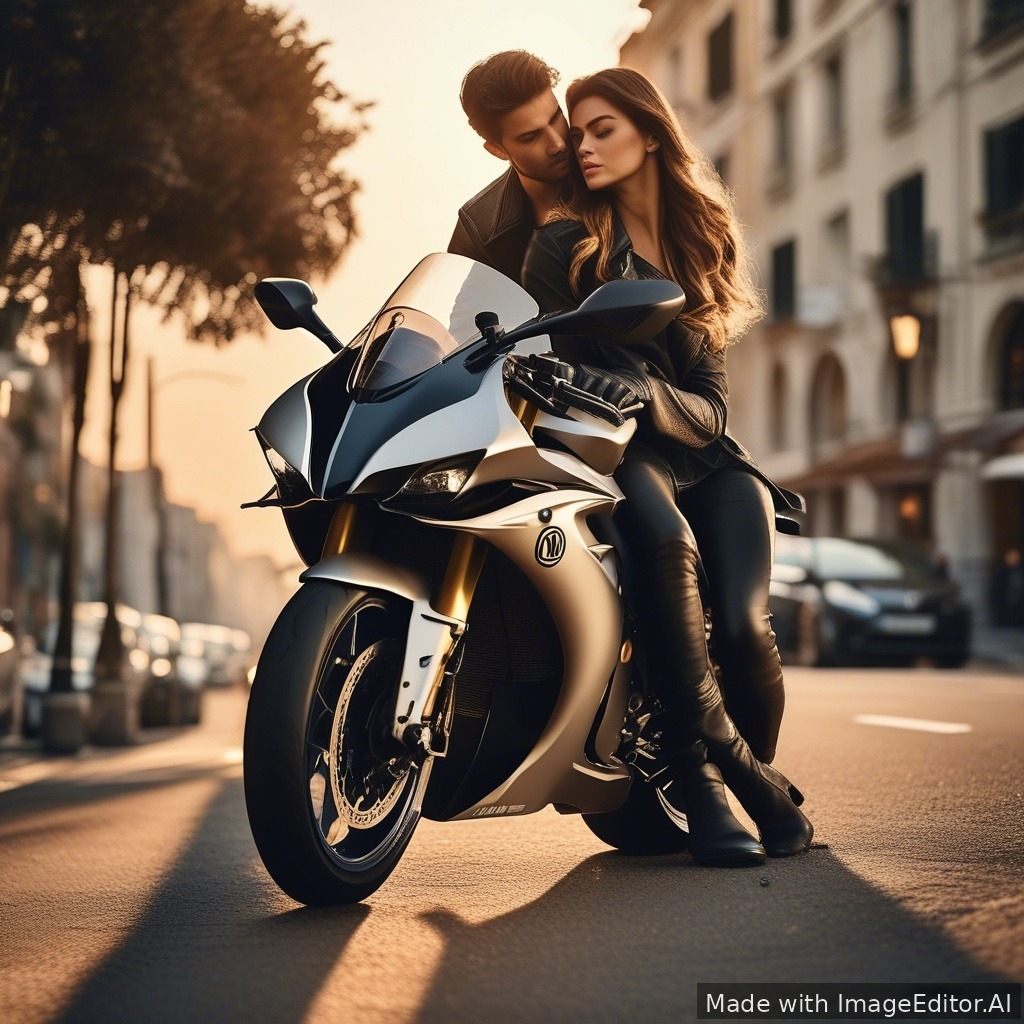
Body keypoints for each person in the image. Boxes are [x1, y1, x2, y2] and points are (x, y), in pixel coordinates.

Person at [520, 67, 813, 866]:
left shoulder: (699, 242)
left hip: (712, 460)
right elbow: (540, 358)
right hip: (617, 454)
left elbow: (712, 408)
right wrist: (631, 403)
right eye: (575, 133)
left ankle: (755, 774)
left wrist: (649, 390)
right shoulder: (564, 244)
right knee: (664, 542)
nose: (581, 146)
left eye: (600, 128)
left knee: (750, 633)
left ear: (650, 132)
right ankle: (720, 790)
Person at [448, 51, 570, 282]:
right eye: (531, 137)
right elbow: (469, 315)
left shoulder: (610, 169)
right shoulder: (480, 230)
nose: (558, 144)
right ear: (497, 150)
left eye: (556, 118)